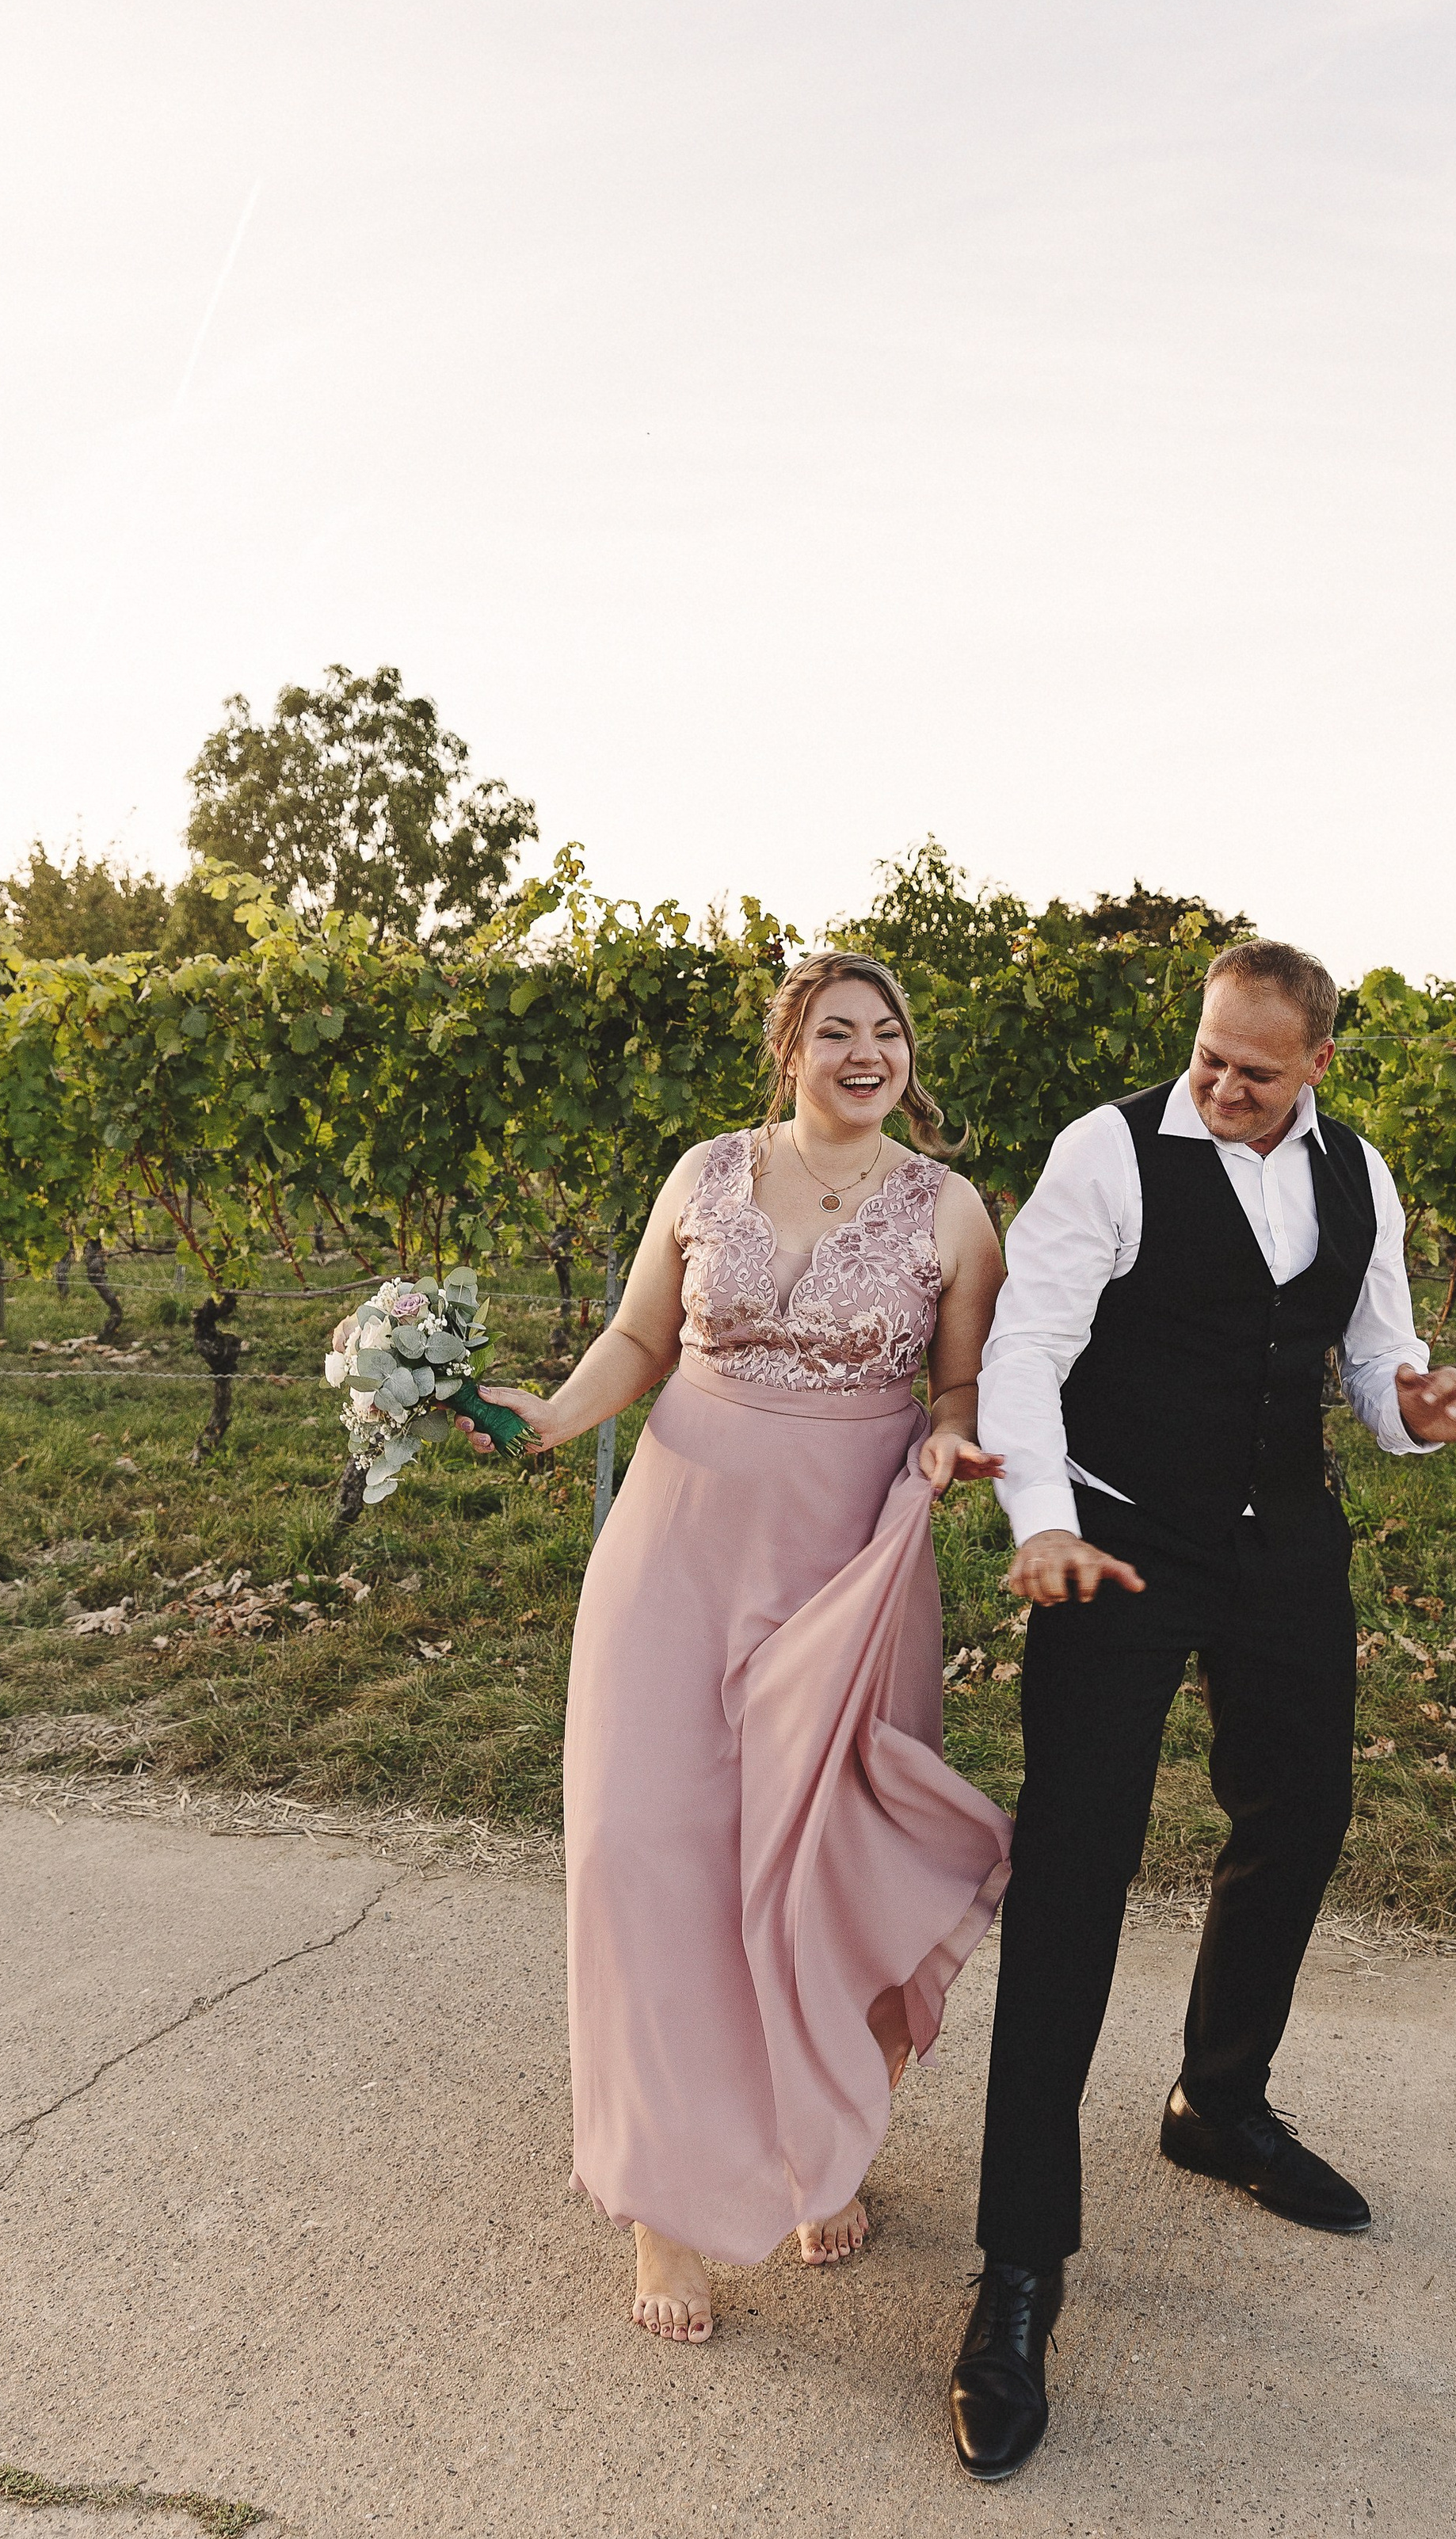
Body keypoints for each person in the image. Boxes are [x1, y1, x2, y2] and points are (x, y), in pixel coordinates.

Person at [947, 937, 1456, 2480]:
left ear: (1314, 1062)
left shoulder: (1357, 1173)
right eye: (1207, 1052)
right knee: (1072, 1874)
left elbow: (1376, 1363)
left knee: (1298, 1812)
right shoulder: (1106, 1149)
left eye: (1253, 1066)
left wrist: (1418, 1411)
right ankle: (1016, 2270)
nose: (1219, 1080)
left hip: (1279, 1543)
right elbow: (1027, 1350)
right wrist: (1040, 1523)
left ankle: (1217, 2098)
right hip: (1111, 1537)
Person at [458, 952, 1012, 2346]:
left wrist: (952, 1434)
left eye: (887, 1029)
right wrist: (551, 1419)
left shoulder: (951, 1209)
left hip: (844, 1562)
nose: (865, 1049)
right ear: (789, 1050)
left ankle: (816, 2140)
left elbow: (958, 1375)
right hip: (676, 1541)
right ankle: (664, 2204)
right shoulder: (705, 1172)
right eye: (836, 1030)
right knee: (635, 1848)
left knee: (816, 1856)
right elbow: (639, 1335)